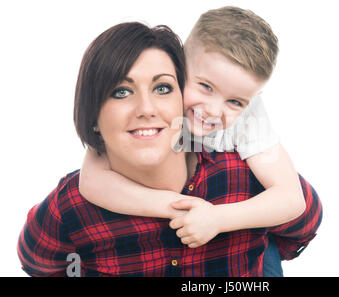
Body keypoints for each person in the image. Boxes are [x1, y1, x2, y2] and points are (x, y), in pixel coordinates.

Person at [17, 21, 322, 277]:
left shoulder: (245, 167)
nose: (146, 108)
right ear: (93, 113)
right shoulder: (71, 206)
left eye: (162, 88)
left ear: (181, 99)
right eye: (121, 92)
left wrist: (243, 234)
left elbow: (300, 219)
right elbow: (38, 262)